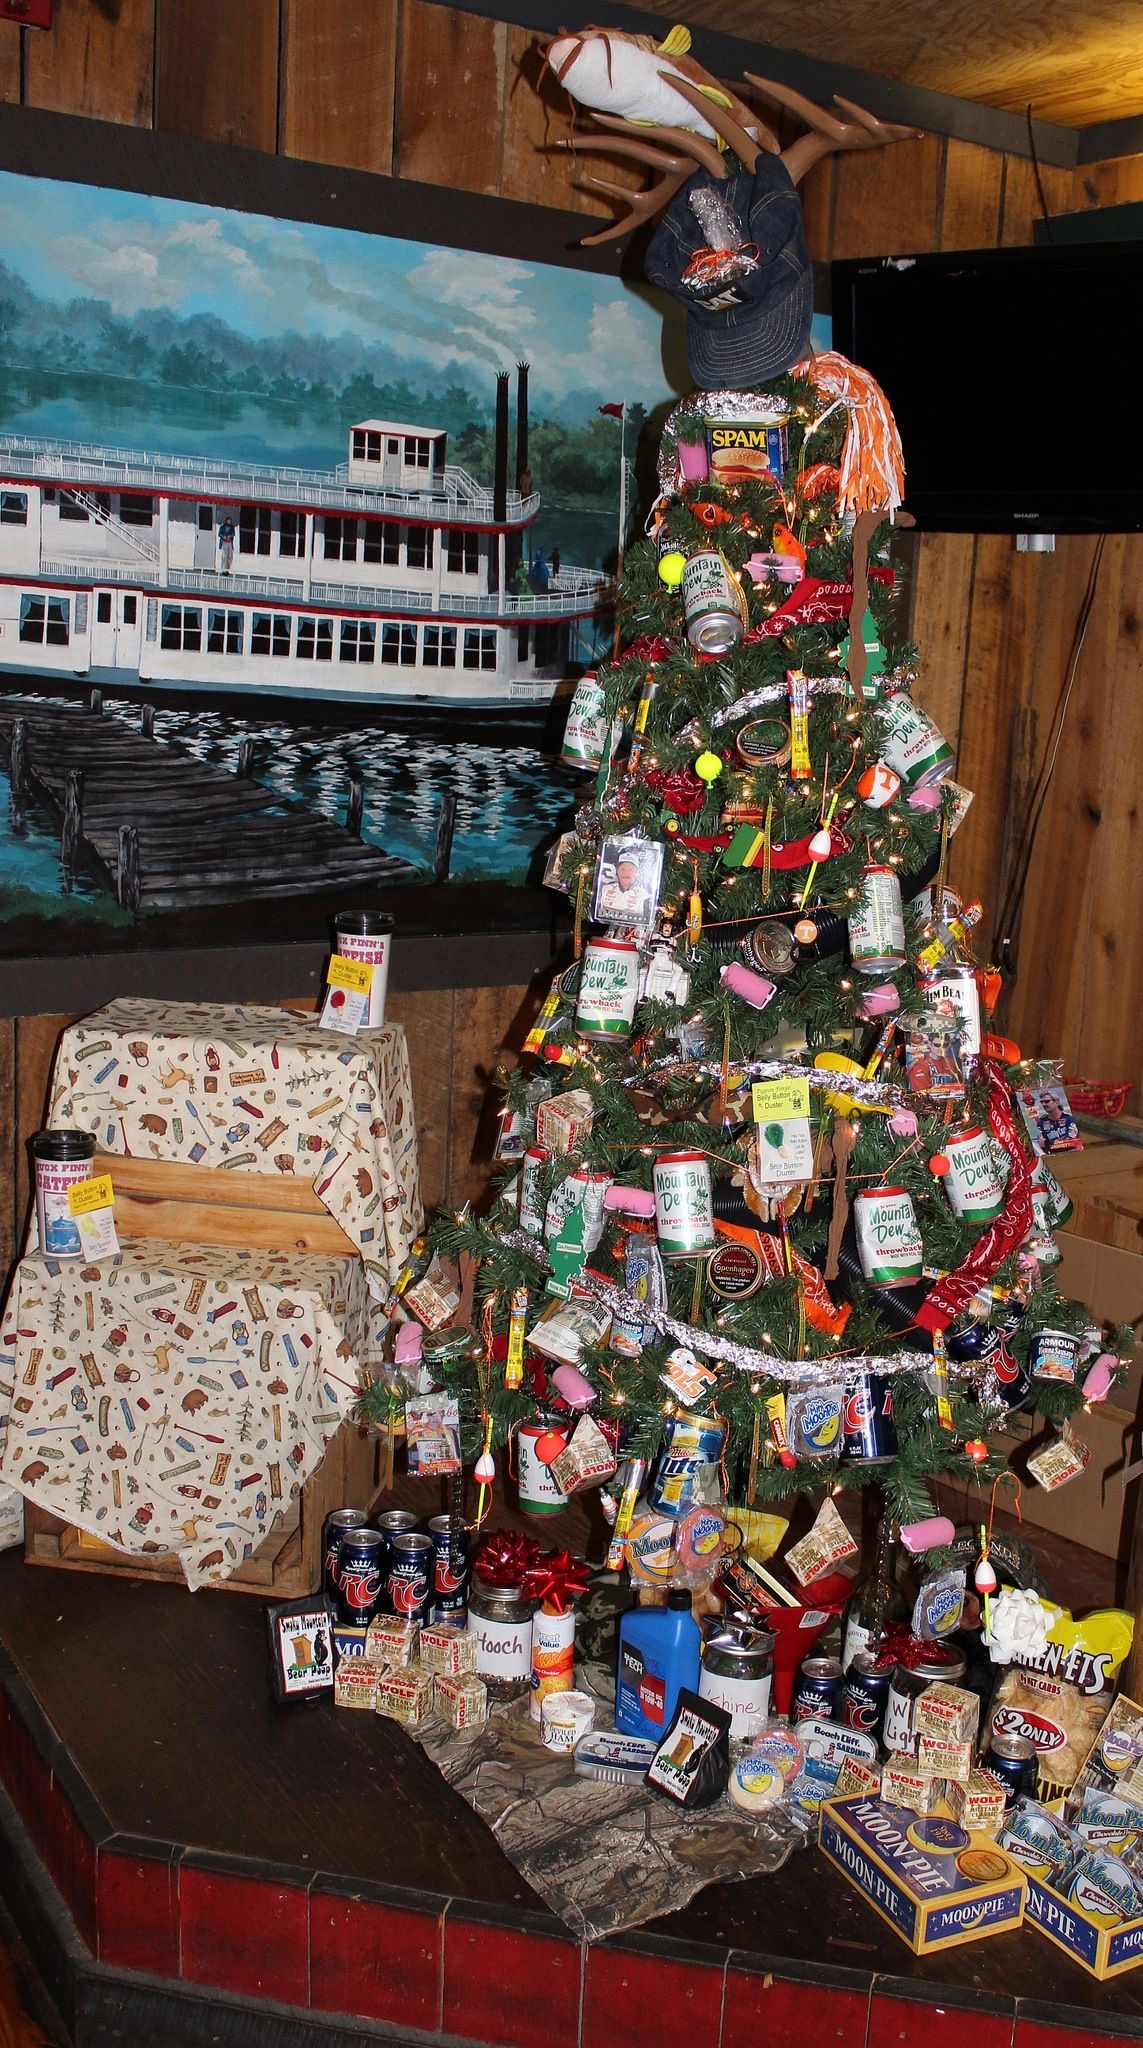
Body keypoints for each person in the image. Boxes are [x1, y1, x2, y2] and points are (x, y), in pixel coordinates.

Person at [599, 853, 650, 923]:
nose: (626, 873)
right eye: (623, 869)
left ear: (637, 872)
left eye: (630, 870)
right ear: (617, 871)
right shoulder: (606, 889)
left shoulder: (644, 895)